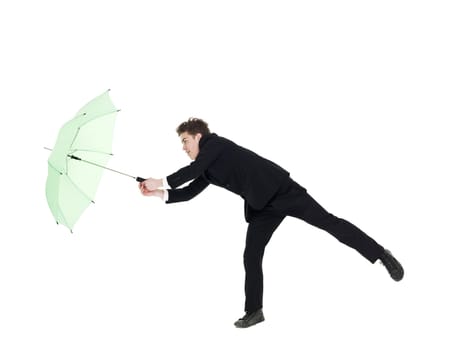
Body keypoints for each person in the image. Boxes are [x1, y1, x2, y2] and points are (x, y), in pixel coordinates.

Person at [139, 118, 404, 328]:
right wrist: (157, 193)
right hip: (262, 206)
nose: (184, 148)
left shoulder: (215, 145)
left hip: (283, 192)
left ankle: (381, 254)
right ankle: (254, 311)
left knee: (330, 224)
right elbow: (188, 192)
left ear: (198, 136)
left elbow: (191, 172)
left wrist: (159, 180)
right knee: (251, 255)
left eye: (185, 141)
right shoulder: (206, 166)